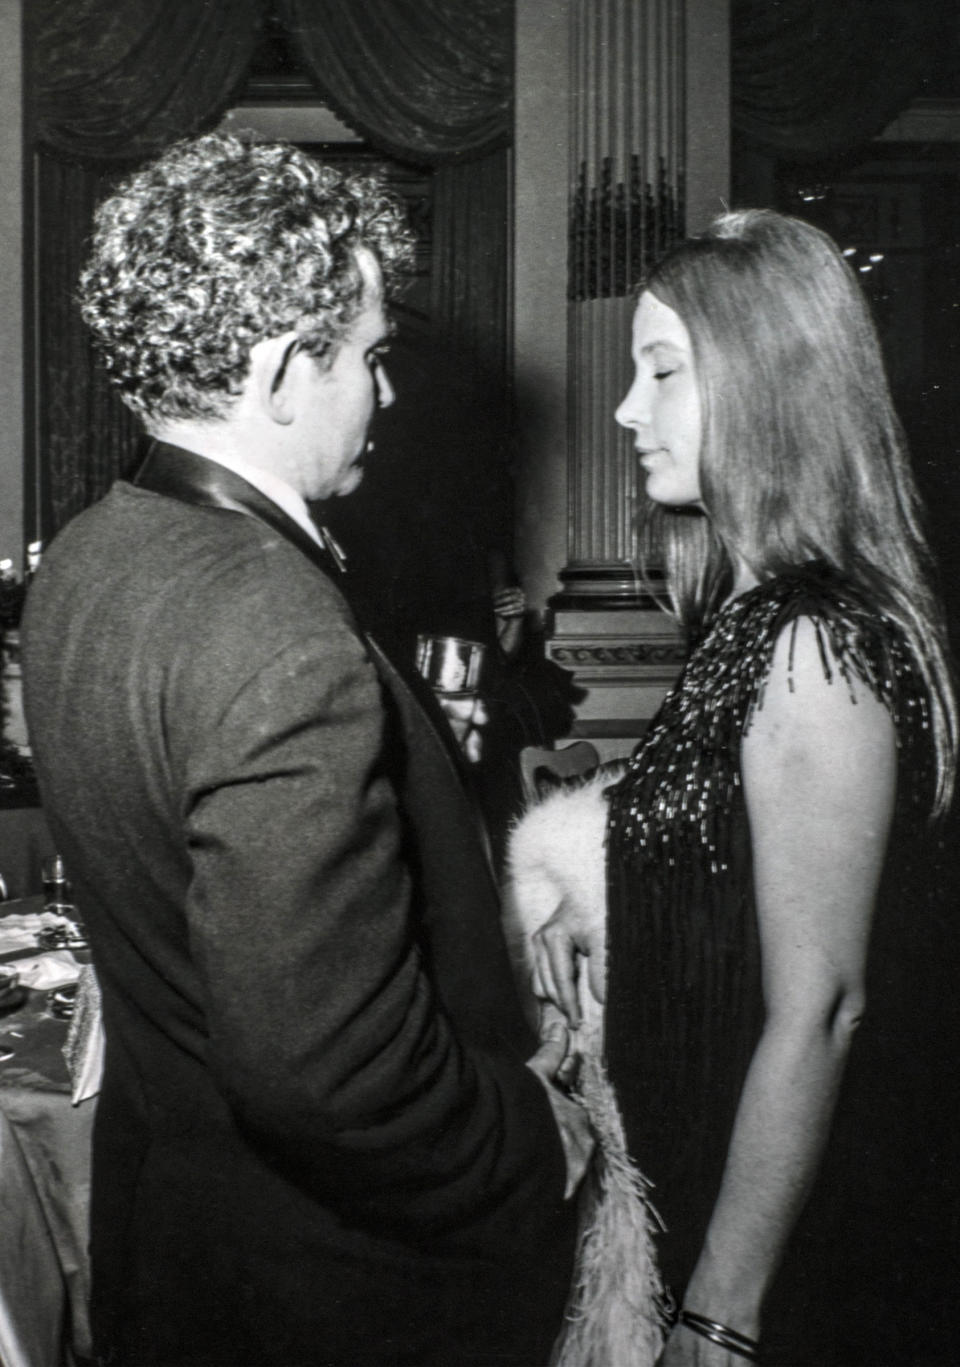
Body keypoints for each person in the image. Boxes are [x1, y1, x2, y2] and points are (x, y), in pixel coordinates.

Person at [21, 132, 589, 1367]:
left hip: (180, 1250)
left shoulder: (86, 555)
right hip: (337, 1292)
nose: (386, 394)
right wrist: (536, 1137)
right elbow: (333, 1076)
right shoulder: (275, 625)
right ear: (286, 369)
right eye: (374, 358)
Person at [529, 209, 958, 1365]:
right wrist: (596, 892)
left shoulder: (813, 640)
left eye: (661, 370)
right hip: (691, 1184)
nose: (625, 408)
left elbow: (824, 1008)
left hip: (781, 1266)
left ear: (766, 388)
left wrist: (718, 1320)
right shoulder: (751, 622)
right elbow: (718, 826)